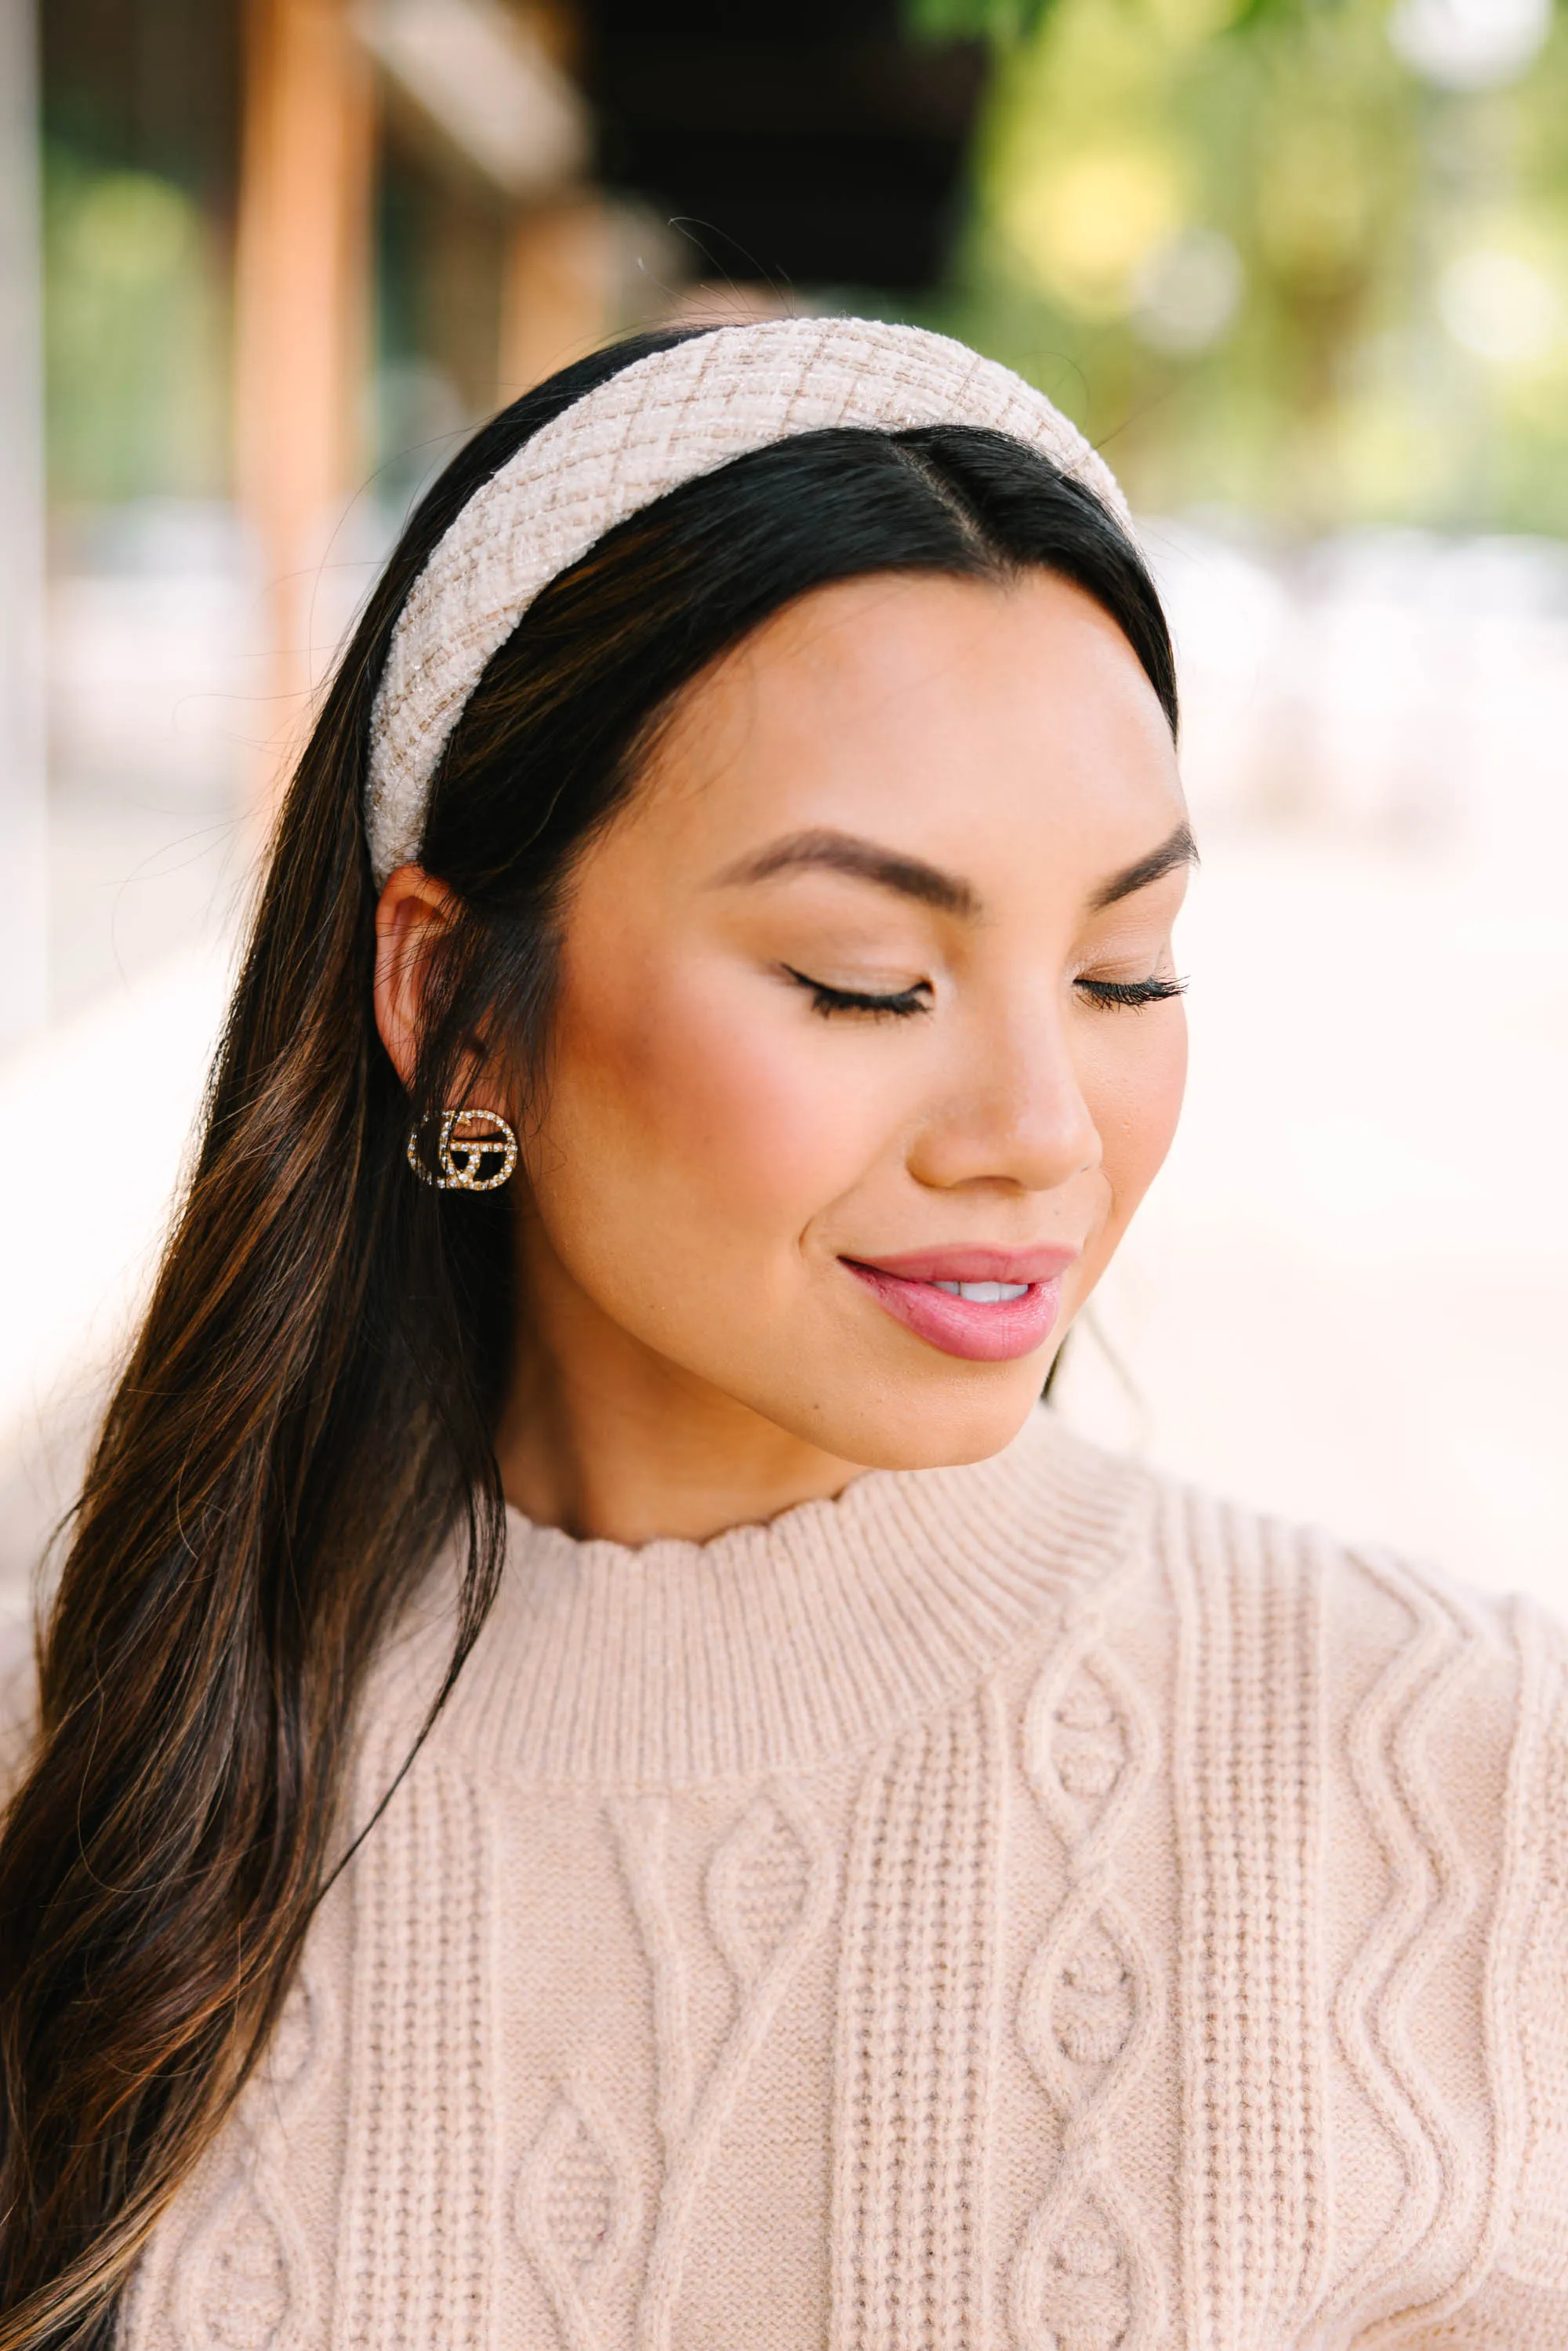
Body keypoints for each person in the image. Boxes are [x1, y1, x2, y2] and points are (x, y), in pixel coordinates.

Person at [0, 319, 1563, 2351]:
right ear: (455, 994)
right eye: (861, 977)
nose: (1036, 1133)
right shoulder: (83, 1718)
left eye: (1123, 967)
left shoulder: (1457, 1775)